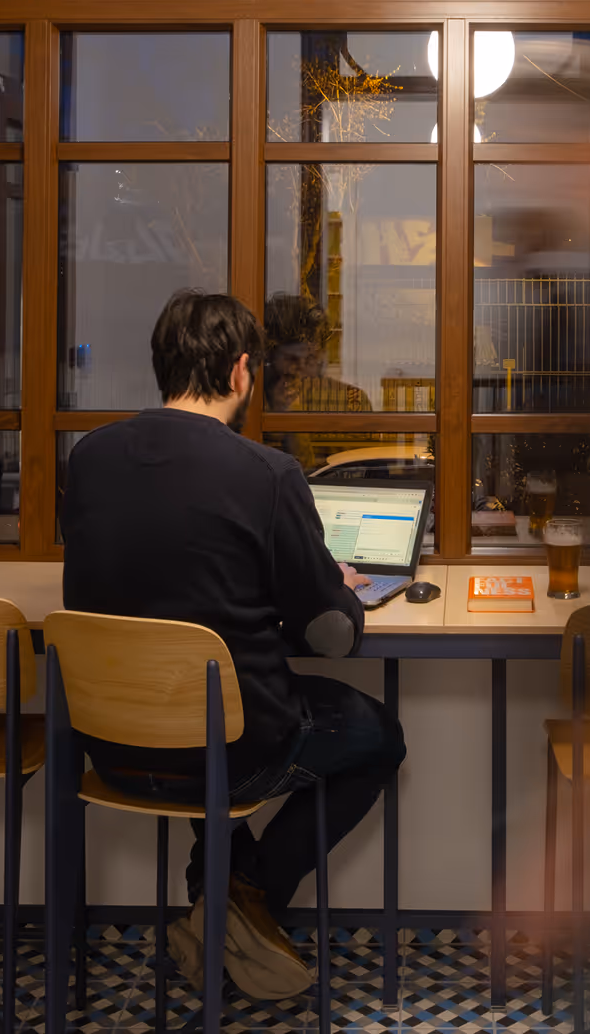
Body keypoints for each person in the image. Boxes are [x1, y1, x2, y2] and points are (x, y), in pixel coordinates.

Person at [61, 290, 406, 1000]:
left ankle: (215, 895)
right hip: (231, 754)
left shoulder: (89, 458)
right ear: (244, 371)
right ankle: (246, 894)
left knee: (203, 711)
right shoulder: (266, 473)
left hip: (112, 746)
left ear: (164, 366)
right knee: (377, 735)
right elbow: (332, 638)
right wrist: (333, 583)